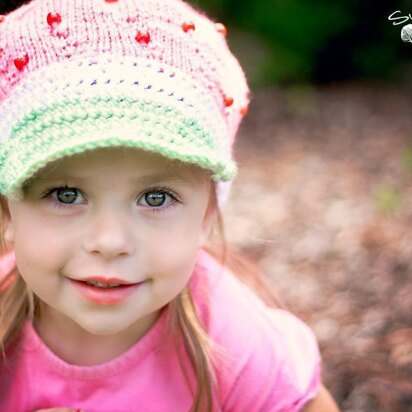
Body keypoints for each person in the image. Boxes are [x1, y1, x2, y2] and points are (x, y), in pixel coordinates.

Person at [0, 0, 340, 411]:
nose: (109, 241)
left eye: (155, 197)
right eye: (65, 194)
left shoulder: (236, 344)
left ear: (207, 217)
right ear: (8, 209)